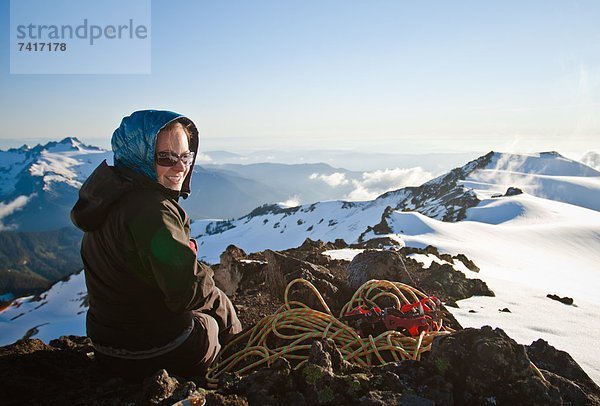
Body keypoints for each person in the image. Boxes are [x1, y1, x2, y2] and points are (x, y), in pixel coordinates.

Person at [71, 110, 241, 379]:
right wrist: (223, 309)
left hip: (107, 348)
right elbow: (188, 290)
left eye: (186, 156)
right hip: (151, 352)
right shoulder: (153, 211)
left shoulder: (108, 197)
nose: (180, 167)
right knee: (211, 321)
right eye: (165, 158)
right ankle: (239, 360)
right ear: (140, 156)